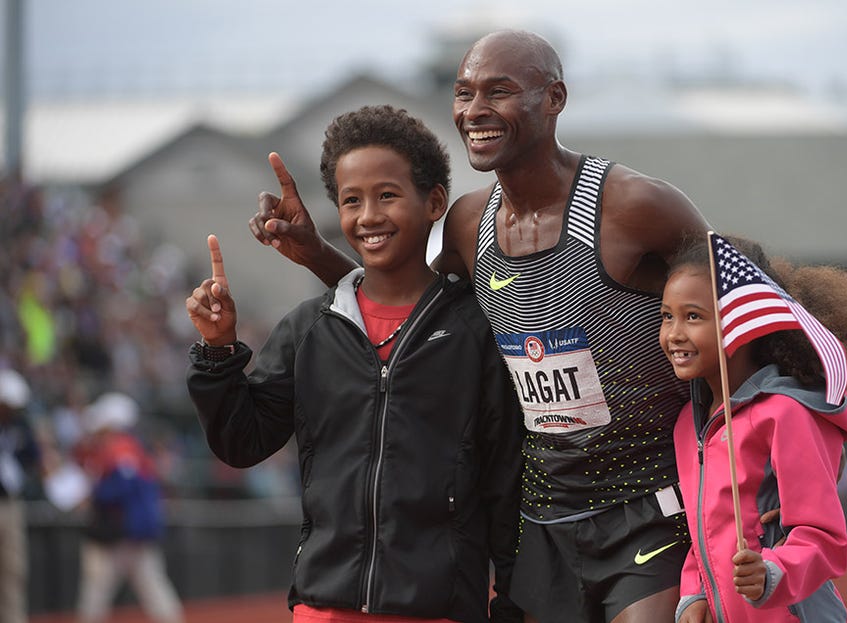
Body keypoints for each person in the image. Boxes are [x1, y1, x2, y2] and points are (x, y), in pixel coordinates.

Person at [248, 30, 710, 623]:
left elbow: (749, 312)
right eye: (464, 93)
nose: (474, 111)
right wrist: (316, 252)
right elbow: (415, 319)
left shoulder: (634, 206)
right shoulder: (470, 221)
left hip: (647, 508)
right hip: (543, 518)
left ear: (555, 98)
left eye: (500, 91)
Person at [186, 105, 524, 623]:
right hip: (323, 606)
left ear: (434, 201)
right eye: (351, 200)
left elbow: (506, 480)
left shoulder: (475, 331)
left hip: (440, 609)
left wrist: (511, 601)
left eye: (387, 195)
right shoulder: (308, 329)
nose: (368, 216)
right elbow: (242, 441)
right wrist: (218, 350)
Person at [659, 235, 847, 622]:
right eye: (668, 316)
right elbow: (705, 534)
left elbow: (823, 536)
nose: (674, 334)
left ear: (741, 324)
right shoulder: (688, 425)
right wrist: (694, 593)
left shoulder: (784, 413)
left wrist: (773, 572)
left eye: (694, 316)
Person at [74, 391, 184, 623]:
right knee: (156, 592)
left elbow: (120, 488)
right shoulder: (136, 447)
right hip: (137, 535)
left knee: (96, 598)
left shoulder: (119, 448)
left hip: (115, 535)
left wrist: (93, 494)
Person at [0, 368, 39, 623]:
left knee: (13, 569)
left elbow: (33, 458)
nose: (10, 412)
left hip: (11, 504)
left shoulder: (19, 427)